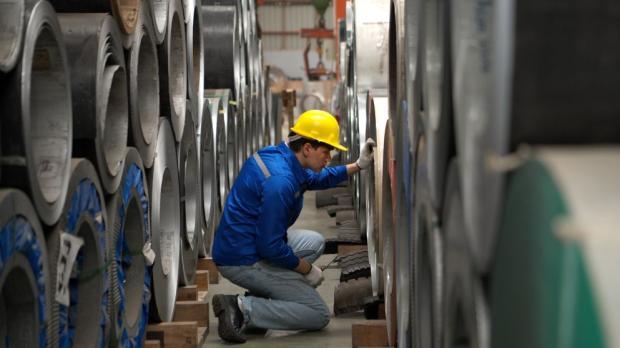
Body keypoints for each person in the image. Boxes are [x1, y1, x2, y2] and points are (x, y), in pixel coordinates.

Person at [211, 109, 375, 343]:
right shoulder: (280, 182)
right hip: (243, 258)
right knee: (317, 313)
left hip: (243, 241)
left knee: (314, 242)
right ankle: (241, 308)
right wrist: (306, 270)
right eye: (326, 151)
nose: (329, 157)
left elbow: (316, 178)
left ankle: (263, 290)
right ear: (307, 148)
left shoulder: (283, 156)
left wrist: (357, 165)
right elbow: (270, 247)